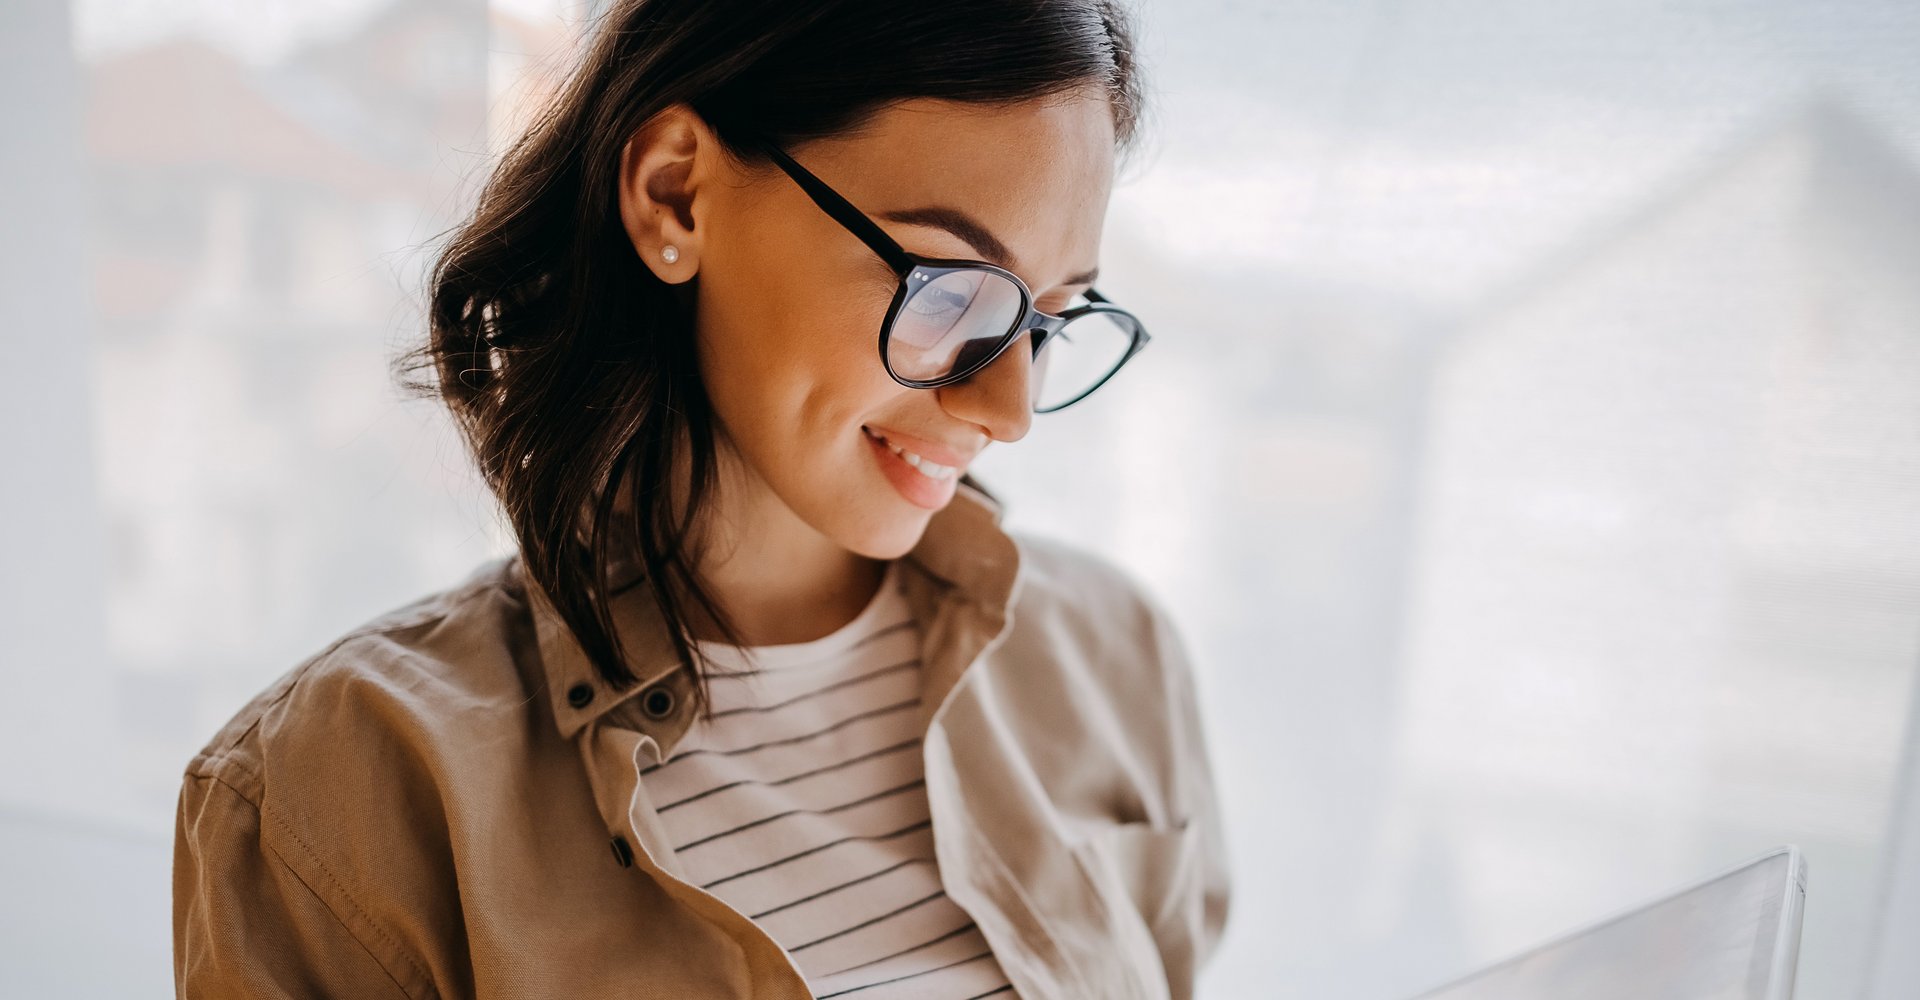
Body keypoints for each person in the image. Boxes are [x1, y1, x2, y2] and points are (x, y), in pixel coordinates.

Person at [170, 0, 1232, 997]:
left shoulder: (1113, 656)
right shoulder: (331, 795)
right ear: (674, 191)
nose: (1008, 408)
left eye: (1051, 318)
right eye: (950, 288)